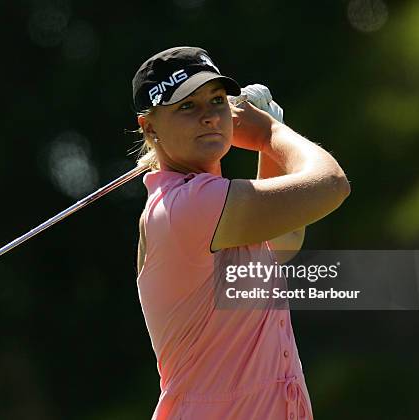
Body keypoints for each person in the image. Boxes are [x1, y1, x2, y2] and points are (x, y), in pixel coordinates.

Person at [132, 46, 350, 420]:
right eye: (187, 106)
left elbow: (281, 244)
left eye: (216, 100)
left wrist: (271, 151)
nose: (209, 117)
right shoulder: (185, 208)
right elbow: (331, 185)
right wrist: (271, 133)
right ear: (150, 127)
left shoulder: (210, 206)